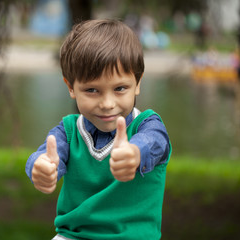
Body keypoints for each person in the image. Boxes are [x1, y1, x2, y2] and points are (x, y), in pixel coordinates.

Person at [25, 19, 172, 240]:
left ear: (138, 83)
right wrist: (40, 166)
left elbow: (154, 142)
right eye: (92, 90)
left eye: (120, 88)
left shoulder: (148, 125)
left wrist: (134, 153)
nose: (107, 103)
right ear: (70, 87)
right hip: (73, 236)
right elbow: (47, 154)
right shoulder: (68, 131)